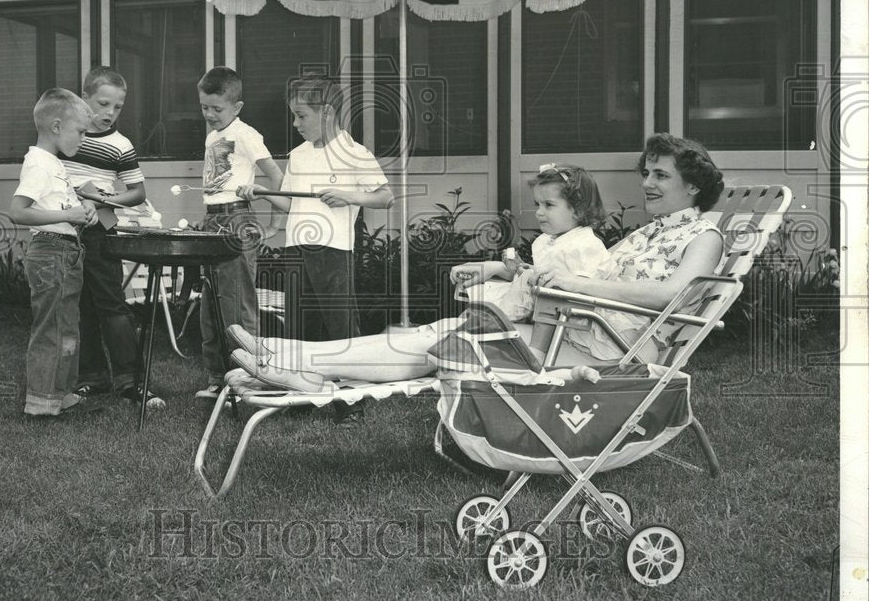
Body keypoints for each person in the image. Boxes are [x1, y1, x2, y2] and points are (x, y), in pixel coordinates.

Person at [227, 133, 725, 388]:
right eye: (648, 173)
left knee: (441, 341)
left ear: (694, 186)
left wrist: (581, 288)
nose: (648, 183)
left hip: (610, 346)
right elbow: (573, 270)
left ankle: (294, 361)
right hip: (581, 325)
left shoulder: (704, 235)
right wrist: (498, 269)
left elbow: (672, 296)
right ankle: (295, 361)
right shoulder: (654, 231)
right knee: (438, 336)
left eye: (660, 175)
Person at [237, 73, 394, 423]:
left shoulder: (354, 152)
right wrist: (261, 192)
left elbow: (385, 197)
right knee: (300, 327)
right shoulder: (299, 155)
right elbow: (292, 204)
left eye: (301, 115)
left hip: (333, 250)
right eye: (293, 115)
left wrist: (350, 196)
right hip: (297, 249)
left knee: (340, 328)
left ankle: (351, 404)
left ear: (326, 113)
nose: (295, 123)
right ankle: (305, 399)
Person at [61, 66, 165, 408]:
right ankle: (93, 377)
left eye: (117, 107)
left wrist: (105, 200)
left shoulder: (120, 145)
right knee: (80, 308)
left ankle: (131, 381)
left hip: (99, 232)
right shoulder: (63, 136)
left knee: (111, 306)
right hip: (63, 231)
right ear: (84, 97)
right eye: (103, 104)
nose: (109, 113)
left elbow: (137, 192)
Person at [194, 66, 284, 400]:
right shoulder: (212, 135)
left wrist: (275, 223)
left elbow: (276, 178)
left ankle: (247, 377)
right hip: (213, 221)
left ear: (237, 107)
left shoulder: (246, 134)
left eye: (217, 108)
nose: (210, 114)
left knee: (238, 305)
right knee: (212, 305)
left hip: (237, 219)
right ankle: (218, 377)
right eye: (205, 107)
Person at [454, 163, 610, 353]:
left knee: (549, 294)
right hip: (554, 313)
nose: (539, 212)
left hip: (584, 326)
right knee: (493, 293)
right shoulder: (552, 239)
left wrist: (532, 279)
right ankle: (473, 325)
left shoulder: (583, 246)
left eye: (549, 205)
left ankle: (536, 351)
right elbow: (545, 275)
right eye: (537, 204)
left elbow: (576, 293)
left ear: (578, 211)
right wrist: (520, 269)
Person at [9, 88, 99, 417]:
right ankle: (41, 401)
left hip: (66, 251)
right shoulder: (38, 163)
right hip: (50, 252)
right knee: (53, 327)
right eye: (81, 131)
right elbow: (18, 212)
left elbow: (61, 205)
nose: (84, 138)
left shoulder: (53, 164)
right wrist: (68, 216)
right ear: (57, 126)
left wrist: (83, 208)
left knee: (67, 325)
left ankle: (59, 393)